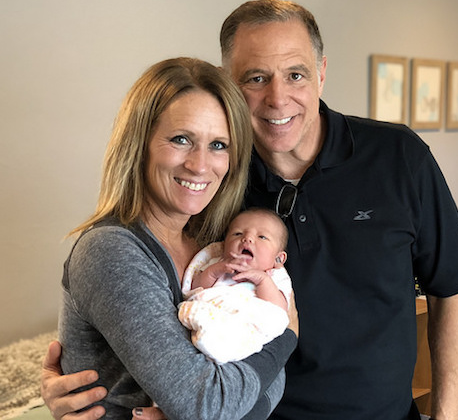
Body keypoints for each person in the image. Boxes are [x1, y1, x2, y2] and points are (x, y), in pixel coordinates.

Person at [42, 0, 458, 420]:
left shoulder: (397, 156)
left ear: (322, 73)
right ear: (229, 83)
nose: (278, 98)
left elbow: (452, 290)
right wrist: (80, 381)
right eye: (255, 78)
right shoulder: (215, 188)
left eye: (296, 74)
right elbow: (149, 316)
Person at [55, 57, 298, 420]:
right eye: (181, 139)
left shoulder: (214, 247)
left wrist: (241, 405)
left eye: (219, 145)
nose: (200, 165)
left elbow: (270, 384)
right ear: (140, 143)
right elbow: (207, 405)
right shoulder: (110, 251)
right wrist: (287, 336)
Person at [179, 207, 292, 364]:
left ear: (278, 258)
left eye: (262, 237)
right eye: (237, 234)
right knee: (193, 312)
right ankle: (211, 341)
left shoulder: (274, 276)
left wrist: (262, 280)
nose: (247, 238)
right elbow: (196, 289)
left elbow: (279, 309)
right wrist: (214, 272)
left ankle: (220, 348)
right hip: (215, 314)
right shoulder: (217, 263)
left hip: (246, 325)